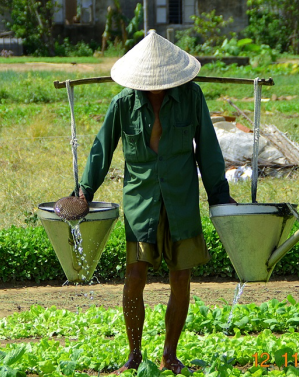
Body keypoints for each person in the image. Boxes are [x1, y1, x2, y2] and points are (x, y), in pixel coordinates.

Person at [75, 31, 235, 374]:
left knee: (181, 277)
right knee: (134, 276)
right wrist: (83, 194)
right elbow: (101, 150)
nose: (154, 85)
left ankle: (169, 354)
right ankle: (134, 354)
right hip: (140, 201)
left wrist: (220, 197)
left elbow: (208, 149)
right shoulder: (123, 103)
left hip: (181, 200)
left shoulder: (191, 97)